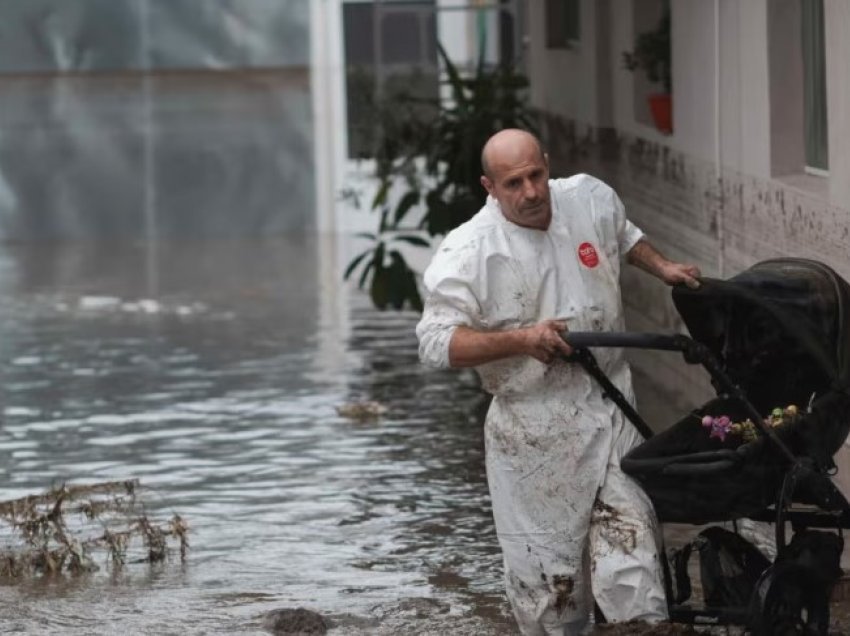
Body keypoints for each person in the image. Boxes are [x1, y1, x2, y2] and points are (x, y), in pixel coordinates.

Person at [415, 129, 701, 635]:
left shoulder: (588, 198)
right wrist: (522, 340)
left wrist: (663, 268)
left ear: (547, 165)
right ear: (489, 186)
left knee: (632, 562)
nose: (530, 192)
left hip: (611, 404)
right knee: (553, 593)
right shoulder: (469, 251)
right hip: (534, 432)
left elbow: (624, 234)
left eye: (536, 175)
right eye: (513, 183)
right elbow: (437, 343)